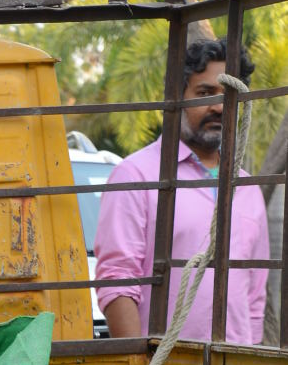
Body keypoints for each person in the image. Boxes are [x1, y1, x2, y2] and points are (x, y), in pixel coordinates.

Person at [94, 37, 269, 344]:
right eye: (205, 93)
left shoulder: (247, 187)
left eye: (227, 95)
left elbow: (254, 295)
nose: (217, 106)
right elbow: (117, 280)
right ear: (178, 97)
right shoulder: (136, 175)